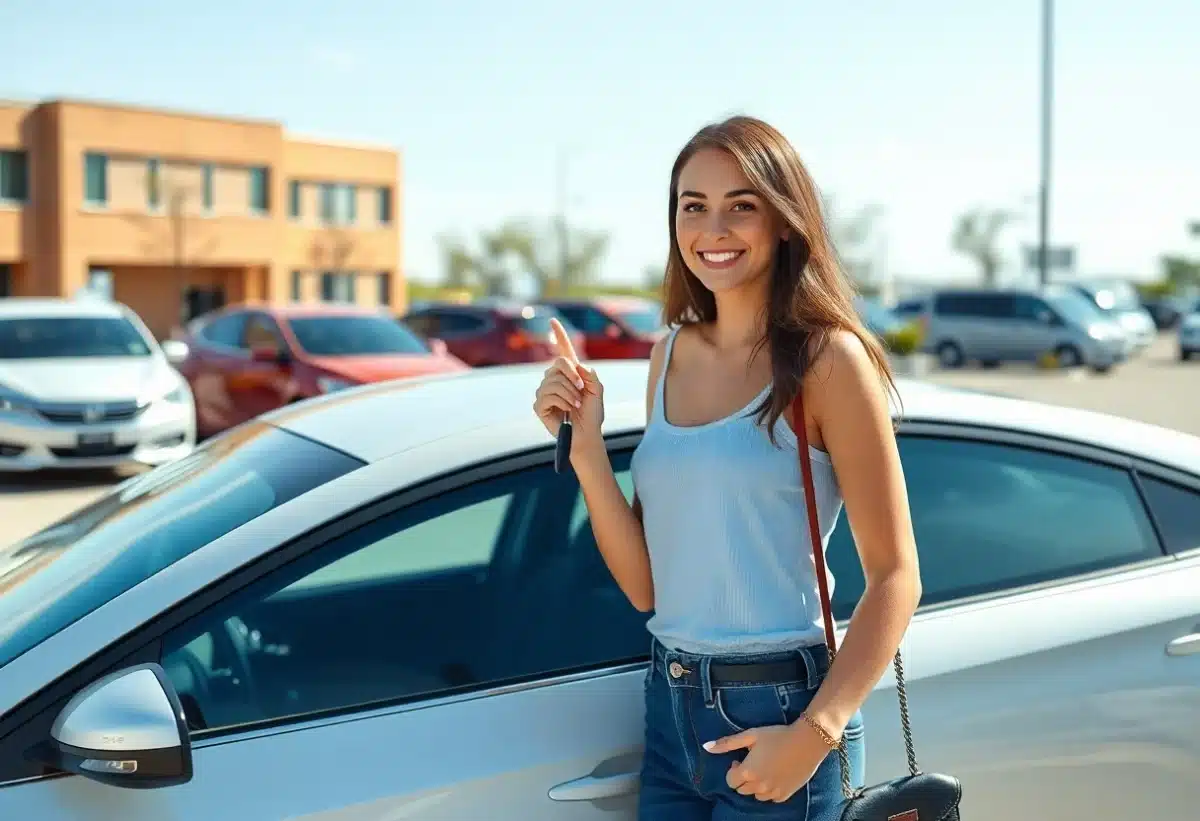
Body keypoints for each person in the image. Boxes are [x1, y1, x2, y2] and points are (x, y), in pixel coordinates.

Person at [532, 115, 922, 821]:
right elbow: (650, 587)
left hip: (784, 707)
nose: (714, 228)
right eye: (694, 206)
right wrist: (587, 451)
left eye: (741, 205)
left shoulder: (828, 360)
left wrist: (815, 733)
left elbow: (897, 576)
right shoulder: (668, 353)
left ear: (782, 220)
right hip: (670, 703)